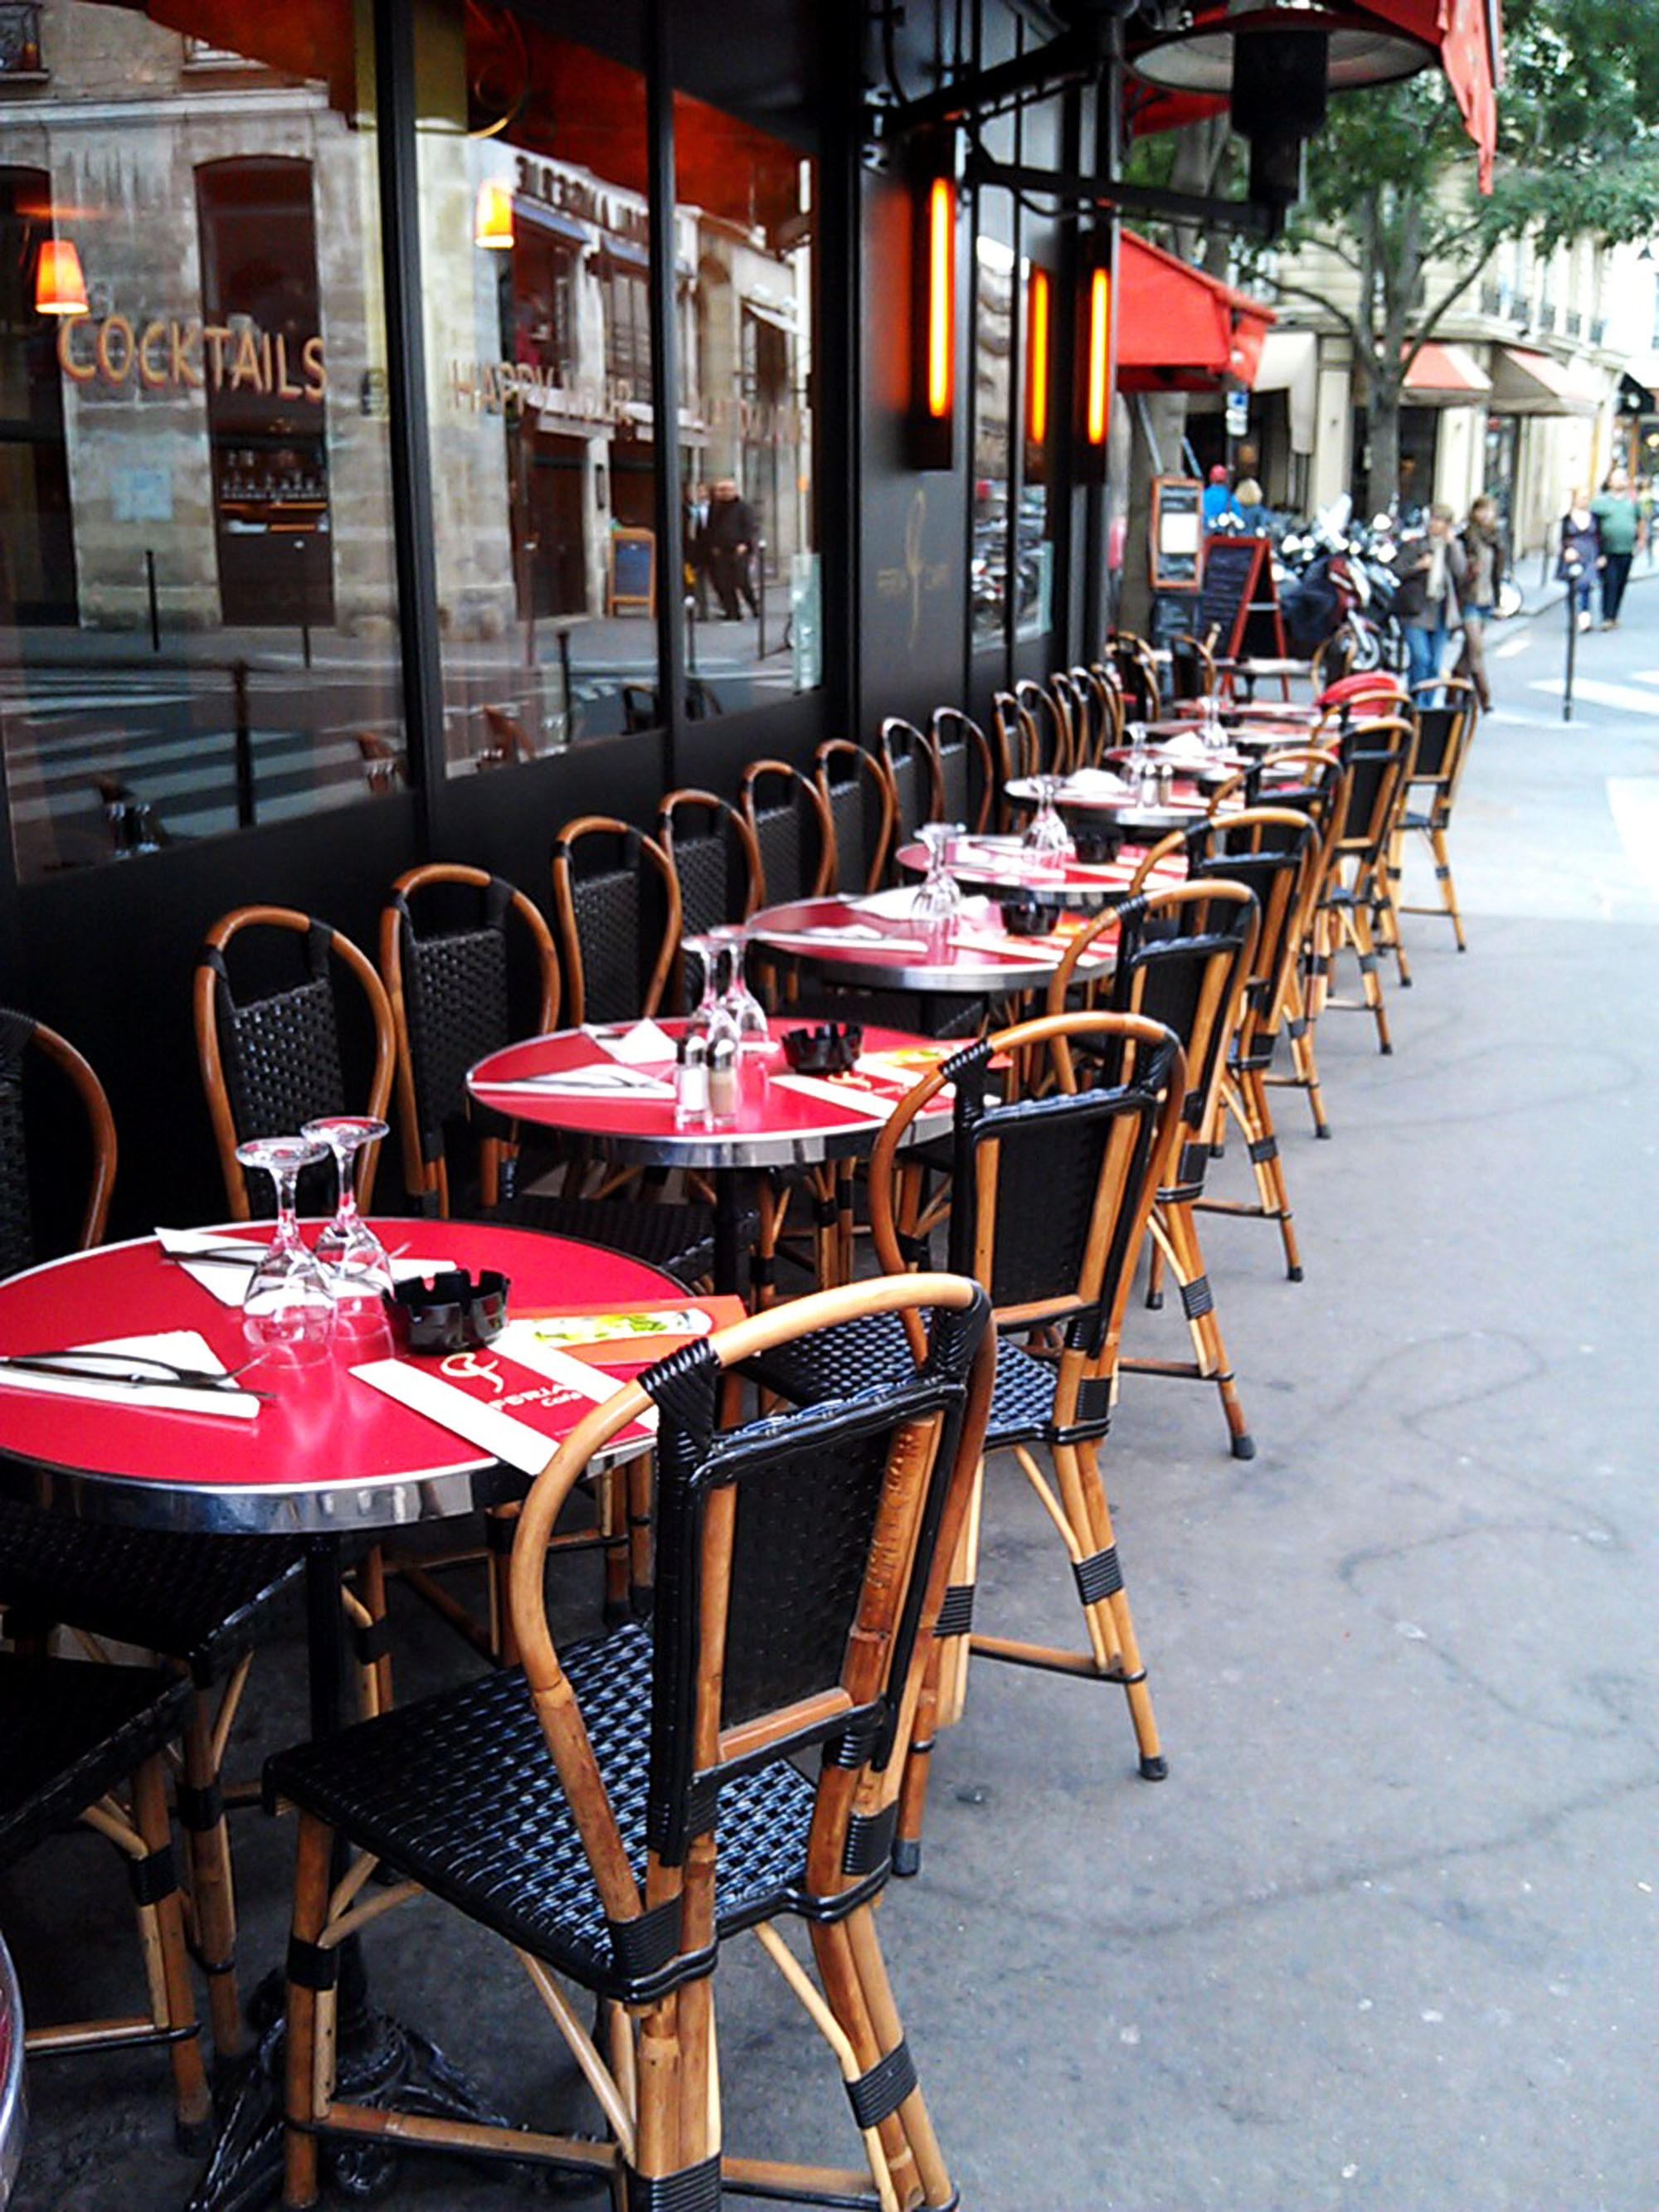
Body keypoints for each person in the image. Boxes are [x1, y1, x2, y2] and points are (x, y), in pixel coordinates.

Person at [1397, 501, 1465, 701]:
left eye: (1441, 520)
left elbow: (1460, 571)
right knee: (1421, 658)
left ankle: (1427, 707)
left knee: (1435, 664)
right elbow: (1398, 569)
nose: (1435, 524)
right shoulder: (1416, 544)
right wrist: (1418, 566)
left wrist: (1452, 545)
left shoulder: (1452, 546)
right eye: (1433, 519)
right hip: (1416, 611)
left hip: (1440, 612)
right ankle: (1416, 704)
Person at [1456, 494, 1505, 713]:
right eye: (1482, 510)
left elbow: (1497, 574)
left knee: (1467, 655)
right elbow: (1457, 570)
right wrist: (1469, 570)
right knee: (1476, 651)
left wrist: (1499, 600)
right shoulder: (1466, 537)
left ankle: (1452, 695)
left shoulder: (1495, 539)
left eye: (1490, 510)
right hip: (1469, 599)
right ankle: (1485, 699)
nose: (1486, 515)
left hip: (1486, 599)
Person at [1589, 465, 1641, 628]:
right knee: (1609, 582)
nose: (1622, 481)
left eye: (1624, 478)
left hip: (1626, 549)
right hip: (1608, 550)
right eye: (1618, 478)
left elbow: (1640, 521)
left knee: (1621, 583)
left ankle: (1614, 614)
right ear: (1610, 482)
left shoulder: (1631, 502)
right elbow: (1592, 525)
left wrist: (1640, 541)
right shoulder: (1600, 502)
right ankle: (1607, 616)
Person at [703, 476, 759, 620]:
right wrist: (713, 546)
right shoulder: (714, 508)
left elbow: (750, 527)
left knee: (741, 581)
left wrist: (745, 544)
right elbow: (711, 528)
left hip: (739, 549)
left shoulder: (743, 507)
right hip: (720, 551)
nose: (725, 493)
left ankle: (754, 606)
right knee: (723, 583)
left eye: (728, 489)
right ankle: (732, 611)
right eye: (721, 490)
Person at [1556, 489, 1599, 634]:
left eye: (1587, 498)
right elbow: (1563, 539)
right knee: (1573, 587)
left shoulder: (1594, 517)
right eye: (1581, 498)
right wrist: (1566, 551)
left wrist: (1601, 556)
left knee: (1586, 586)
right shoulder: (1568, 518)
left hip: (1589, 555)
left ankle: (1584, 619)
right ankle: (1572, 618)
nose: (1584, 501)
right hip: (1572, 555)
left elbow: (1600, 537)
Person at [1201, 464, 1240, 528]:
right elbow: (1237, 516)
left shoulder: (1203, 496)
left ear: (1210, 477)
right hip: (1224, 535)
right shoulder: (1231, 497)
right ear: (1226, 478)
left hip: (1205, 534)